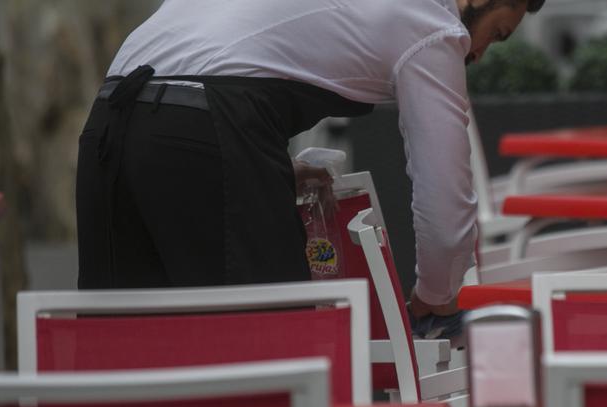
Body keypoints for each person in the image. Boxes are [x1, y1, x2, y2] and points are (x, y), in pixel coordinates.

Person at [76, 0, 544, 321]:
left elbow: (218, 62)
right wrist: (436, 296)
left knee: (122, 352)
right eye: (497, 33)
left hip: (111, 119)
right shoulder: (431, 23)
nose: (478, 53)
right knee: (270, 353)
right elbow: (446, 205)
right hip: (207, 126)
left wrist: (263, 167)